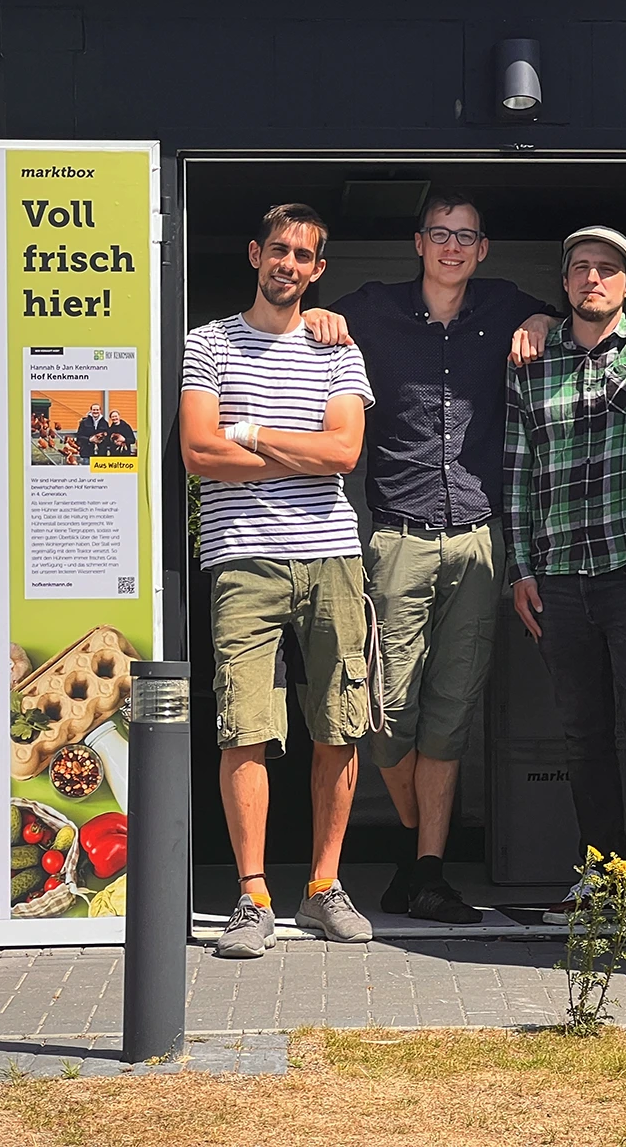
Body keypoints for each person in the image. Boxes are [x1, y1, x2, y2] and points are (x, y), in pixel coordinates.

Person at [302, 190, 556, 925]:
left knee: (452, 710)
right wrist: (317, 316)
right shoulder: (371, 308)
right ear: (418, 243)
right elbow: (303, 321)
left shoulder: (505, 305)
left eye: (465, 236)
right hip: (396, 539)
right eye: (439, 234)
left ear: (482, 249)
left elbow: (562, 313)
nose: (451, 246)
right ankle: (419, 854)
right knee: (386, 710)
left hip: (478, 536)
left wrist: (542, 320)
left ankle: (427, 872)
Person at [180, 202, 377, 959]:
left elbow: (344, 454)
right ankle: (253, 896)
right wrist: (301, 451)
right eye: (277, 250)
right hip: (241, 557)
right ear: (254, 253)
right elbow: (199, 453)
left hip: (332, 556)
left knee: (339, 723)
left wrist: (253, 434)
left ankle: (324, 888)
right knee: (245, 728)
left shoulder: (339, 349)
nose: (287, 265)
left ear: (318, 269)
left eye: (302, 256)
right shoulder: (208, 343)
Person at [503, 226, 626, 925]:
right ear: (565, 282)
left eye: (607, 268)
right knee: (583, 735)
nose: (593, 278)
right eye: (580, 267)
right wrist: (521, 568)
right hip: (559, 576)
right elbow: (519, 469)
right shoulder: (531, 360)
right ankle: (600, 881)